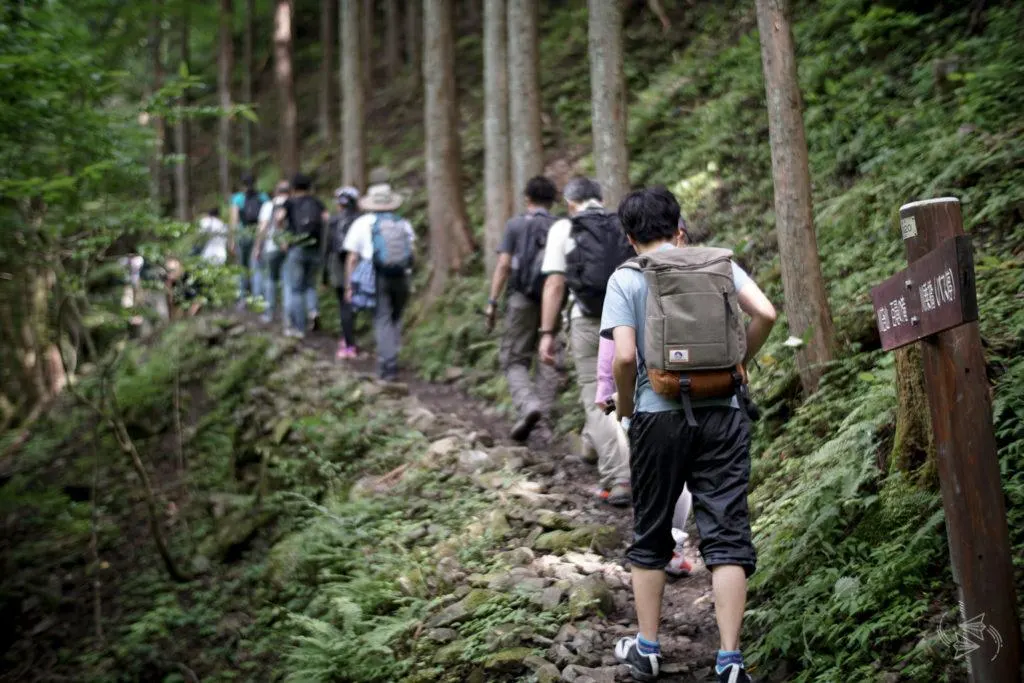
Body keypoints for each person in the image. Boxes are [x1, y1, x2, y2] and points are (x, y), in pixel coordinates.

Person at [601, 187, 776, 683]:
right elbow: (765, 313)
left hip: (658, 415)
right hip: (723, 412)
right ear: (678, 226)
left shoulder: (627, 278)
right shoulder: (717, 264)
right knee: (726, 531)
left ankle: (648, 648)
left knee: (652, 529)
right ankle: (729, 661)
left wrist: (630, 410)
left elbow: (625, 359)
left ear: (630, 237)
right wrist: (740, 363)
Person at [537, 177, 633, 506]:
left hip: (588, 322)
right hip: (629, 320)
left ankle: (620, 478)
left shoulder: (564, 229)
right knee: (631, 391)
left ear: (570, 203)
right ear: (600, 199)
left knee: (598, 395)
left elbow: (554, 285)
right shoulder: (624, 223)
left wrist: (547, 333)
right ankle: (609, 453)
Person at [485, 176, 560, 443]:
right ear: (552, 201)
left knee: (514, 359)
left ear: (527, 198)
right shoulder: (560, 226)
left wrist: (492, 301)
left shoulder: (515, 225)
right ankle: (543, 426)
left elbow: (504, 265)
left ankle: (529, 405)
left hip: (521, 299)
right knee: (549, 357)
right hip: (554, 298)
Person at [343, 183, 415, 381]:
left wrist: (349, 284)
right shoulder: (403, 223)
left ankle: (388, 366)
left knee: (382, 318)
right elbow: (412, 251)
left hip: (375, 275)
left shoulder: (362, 223)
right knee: (396, 317)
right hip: (401, 274)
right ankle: (392, 354)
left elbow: (352, 257)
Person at [276, 173, 328, 339]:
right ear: (309, 187)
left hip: (297, 248)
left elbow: (279, 219)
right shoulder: (317, 202)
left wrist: (283, 237)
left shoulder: (289, 202)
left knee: (296, 289)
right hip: (315, 248)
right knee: (310, 285)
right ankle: (313, 311)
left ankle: (299, 327)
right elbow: (327, 220)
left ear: (293, 187)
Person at [326, 186, 362, 359]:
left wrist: (325, 274)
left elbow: (327, 247)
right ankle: (349, 339)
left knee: (344, 304)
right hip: (359, 263)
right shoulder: (362, 219)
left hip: (338, 264)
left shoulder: (333, 221)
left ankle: (349, 344)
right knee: (353, 304)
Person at [252, 180, 291, 324]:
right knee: (288, 283)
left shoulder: (268, 205)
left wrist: (257, 247)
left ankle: (269, 313)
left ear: (276, 191)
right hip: (289, 247)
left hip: (271, 247)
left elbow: (262, 228)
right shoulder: (293, 204)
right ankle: (288, 318)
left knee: (270, 280)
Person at [230, 172, 270, 306]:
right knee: (257, 267)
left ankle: (242, 298)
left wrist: (232, 239)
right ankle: (258, 298)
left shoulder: (237, 198)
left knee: (242, 267)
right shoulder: (263, 197)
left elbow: (234, 220)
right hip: (258, 234)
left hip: (242, 234)